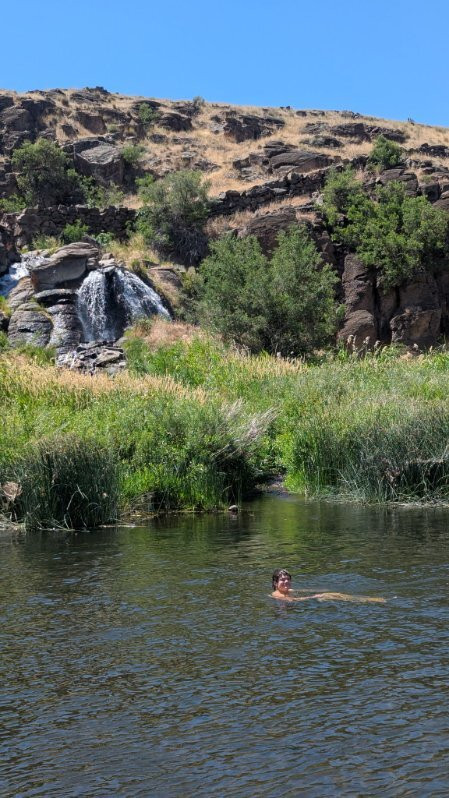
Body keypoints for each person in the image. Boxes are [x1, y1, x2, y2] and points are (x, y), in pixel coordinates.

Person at [271, 568, 386, 603]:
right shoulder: (278, 595)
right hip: (301, 603)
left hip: (309, 598)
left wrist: (322, 590)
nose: (286, 582)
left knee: (335, 594)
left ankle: (369, 599)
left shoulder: (286, 590)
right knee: (330, 596)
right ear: (276, 583)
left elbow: (301, 590)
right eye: (282, 580)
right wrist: (315, 596)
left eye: (288, 579)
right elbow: (293, 600)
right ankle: (371, 600)